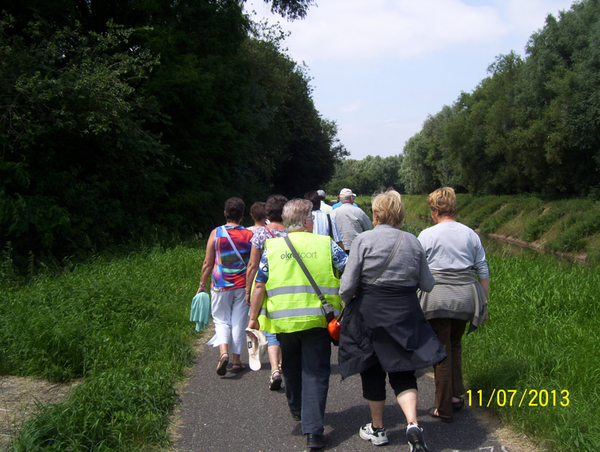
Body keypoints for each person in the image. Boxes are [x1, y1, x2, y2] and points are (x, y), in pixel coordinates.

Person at [338, 189, 446, 452]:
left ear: (375, 215)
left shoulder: (363, 241)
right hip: (405, 312)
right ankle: (412, 424)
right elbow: (428, 284)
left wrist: (346, 301)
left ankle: (378, 429)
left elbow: (347, 284)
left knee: (372, 367)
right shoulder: (412, 241)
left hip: (369, 312)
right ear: (399, 214)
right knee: (403, 368)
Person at [248, 199, 347, 450]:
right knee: (315, 372)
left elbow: (259, 284)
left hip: (283, 322)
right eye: (311, 218)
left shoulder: (272, 248)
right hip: (317, 320)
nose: (313, 222)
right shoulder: (327, 245)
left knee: (290, 366)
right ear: (304, 221)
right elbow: (349, 271)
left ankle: (297, 410)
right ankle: (314, 431)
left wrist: (252, 318)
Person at [418, 187, 490, 423]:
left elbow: (417, 270)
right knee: (455, 344)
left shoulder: (427, 235)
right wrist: (484, 304)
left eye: (431, 210)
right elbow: (482, 270)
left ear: (436, 210)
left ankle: (444, 407)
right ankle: (457, 395)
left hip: (437, 299)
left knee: (441, 351)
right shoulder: (471, 234)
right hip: (466, 298)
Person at [198, 197, 253, 376]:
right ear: (242, 215)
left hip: (221, 283)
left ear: (225, 213)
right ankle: (237, 360)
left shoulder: (217, 233)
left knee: (221, 319)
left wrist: (202, 284)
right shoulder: (249, 235)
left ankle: (223, 353)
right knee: (238, 321)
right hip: (242, 284)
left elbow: (208, 262)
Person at [245, 195, 288, 390]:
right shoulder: (291, 233)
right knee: (285, 326)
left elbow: (253, 265)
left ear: (268, 213)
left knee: (269, 328)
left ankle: (274, 369)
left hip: (265, 286)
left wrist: (248, 290)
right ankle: (284, 363)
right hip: (286, 283)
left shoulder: (261, 234)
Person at [331, 188, 372, 253]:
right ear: (351, 198)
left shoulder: (334, 212)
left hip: (340, 247)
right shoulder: (358, 211)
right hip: (356, 246)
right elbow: (369, 227)